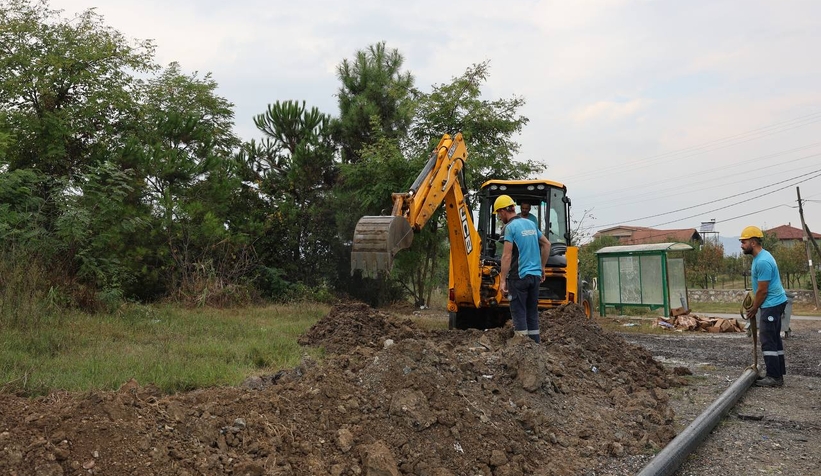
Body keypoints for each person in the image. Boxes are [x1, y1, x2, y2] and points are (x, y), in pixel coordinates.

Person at [495, 195, 551, 343]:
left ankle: (522, 350)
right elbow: (547, 245)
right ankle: (535, 347)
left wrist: (502, 280)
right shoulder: (530, 224)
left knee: (519, 312)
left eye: (498, 214)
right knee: (532, 313)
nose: (499, 218)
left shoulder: (510, 228)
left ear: (503, 211)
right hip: (535, 277)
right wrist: (542, 267)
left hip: (518, 277)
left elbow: (506, 256)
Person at [740, 225, 788, 387]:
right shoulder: (760, 258)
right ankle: (778, 374)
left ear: (753, 242)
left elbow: (762, 290)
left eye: (744, 242)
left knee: (767, 339)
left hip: (771, 303)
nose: (741, 245)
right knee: (774, 339)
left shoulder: (763, 261)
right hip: (775, 302)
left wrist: (754, 308)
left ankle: (774, 377)